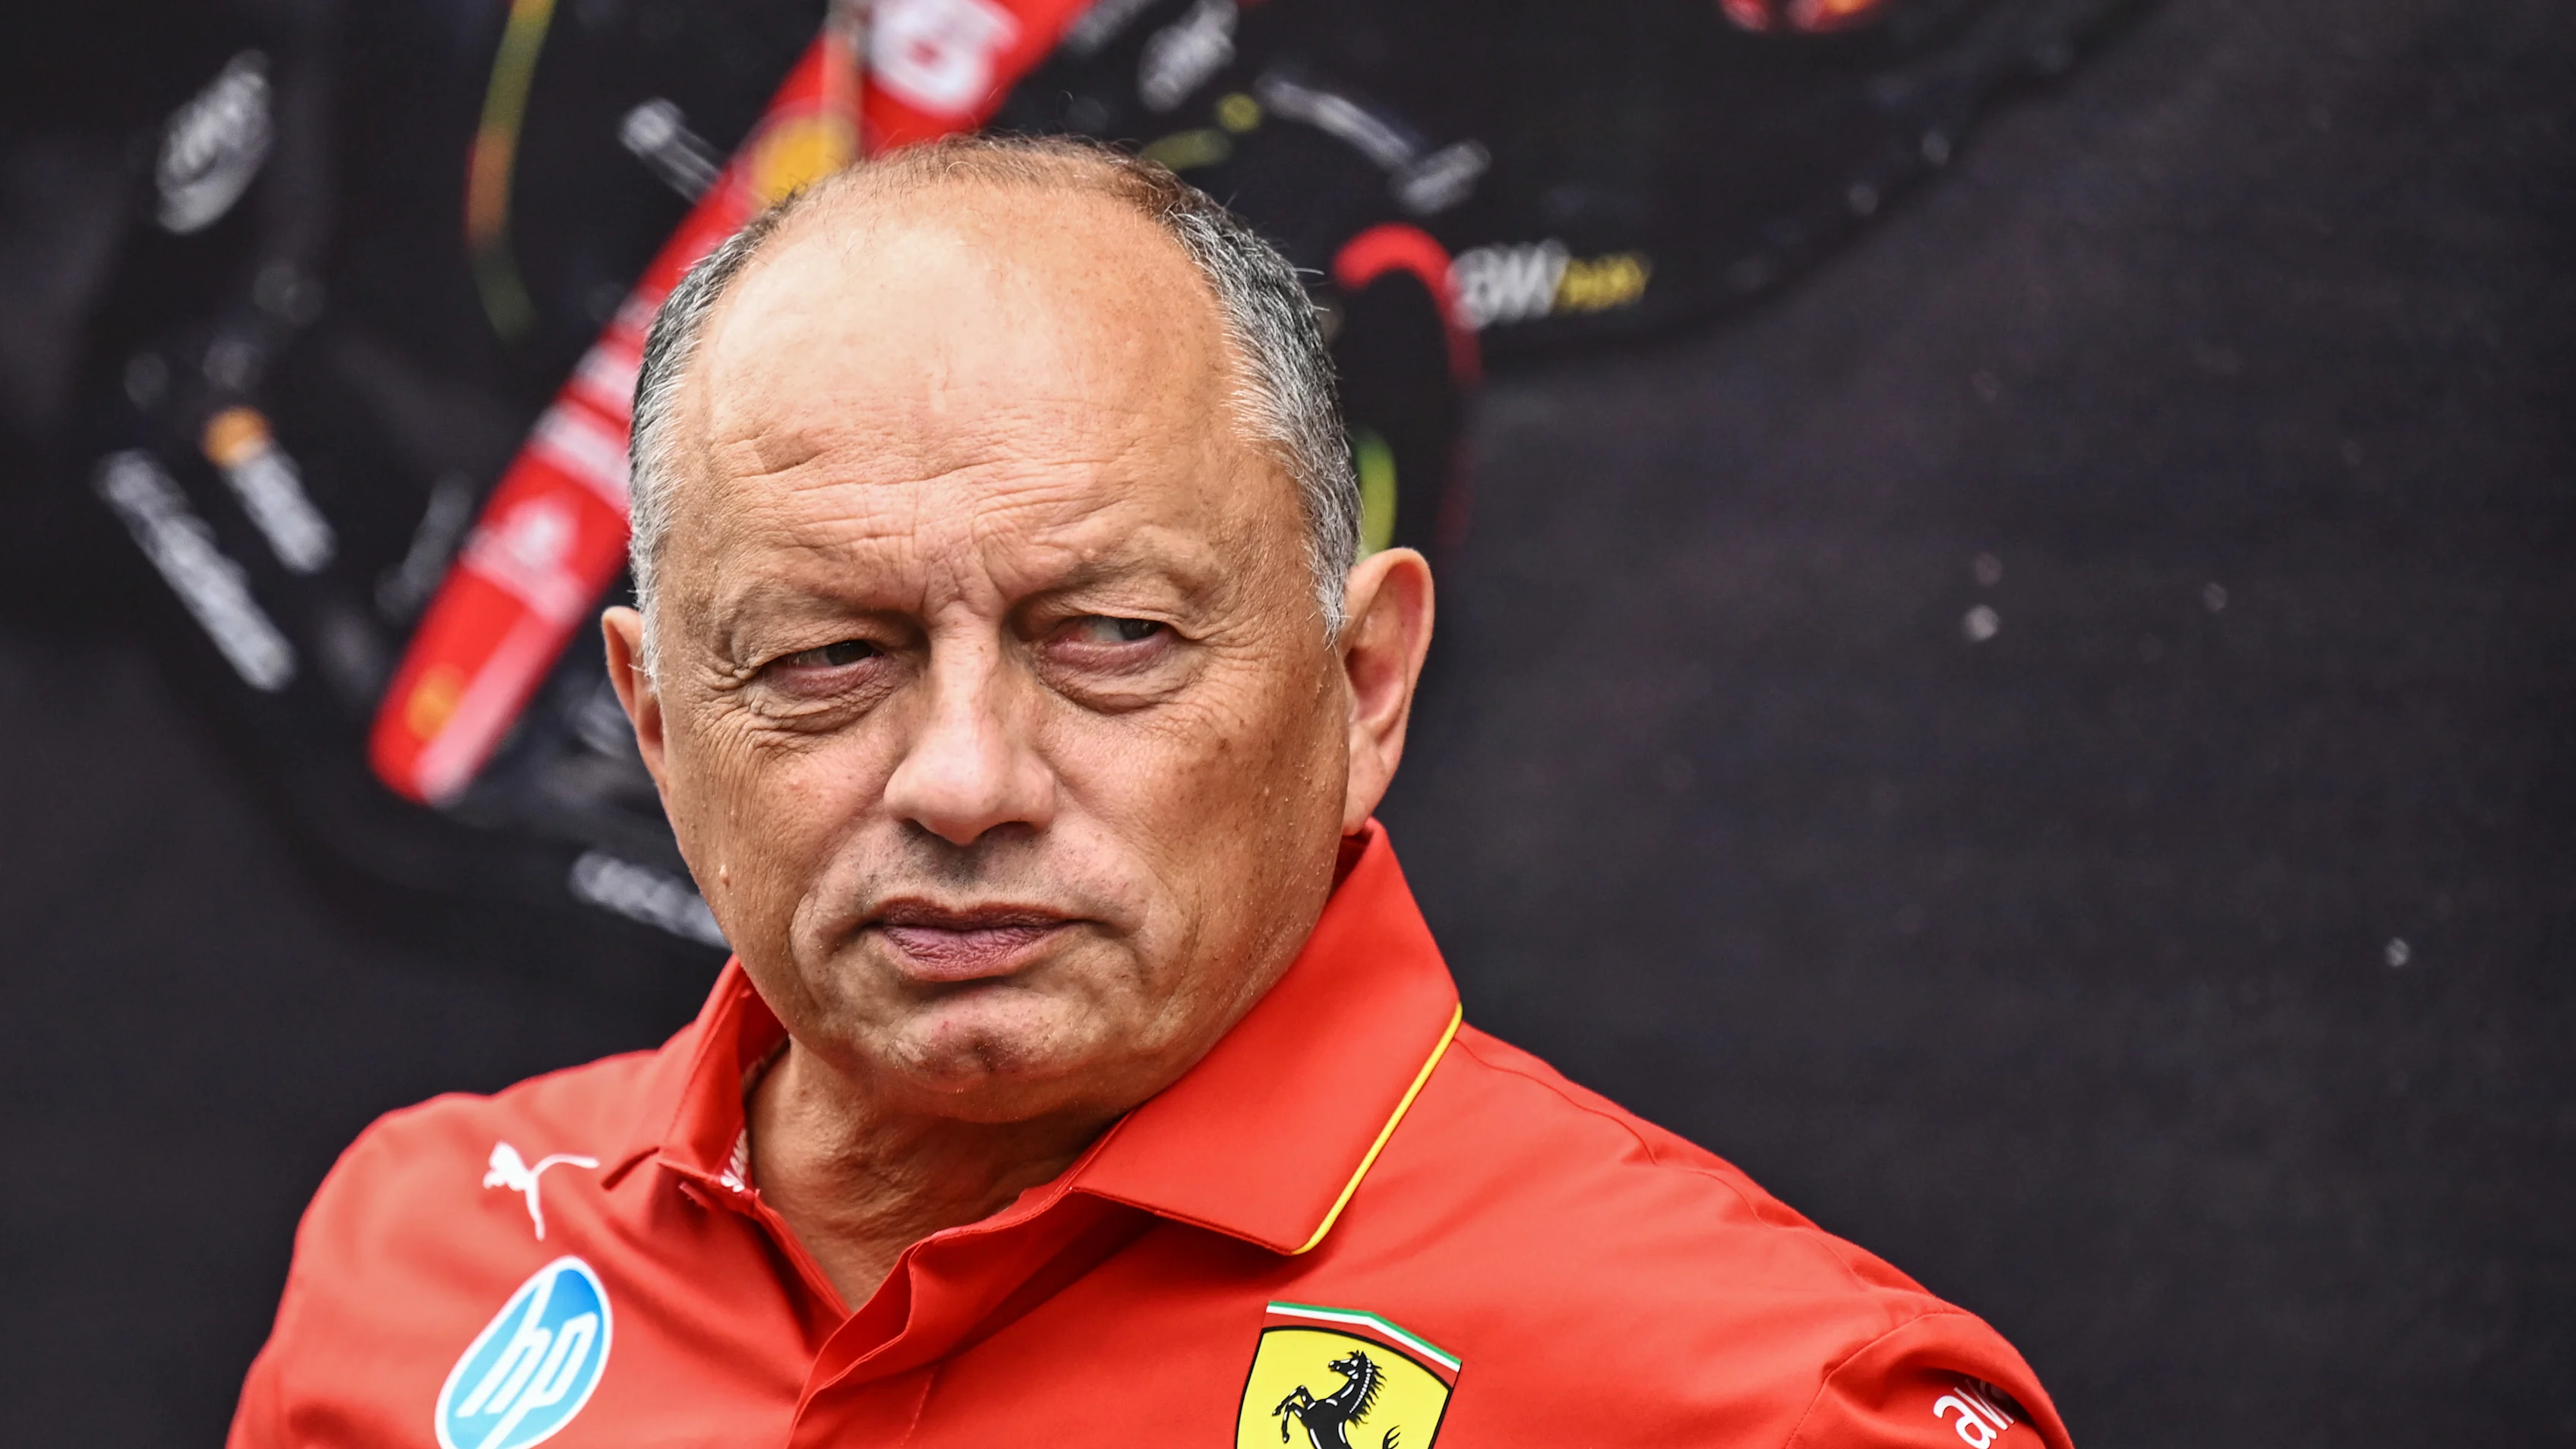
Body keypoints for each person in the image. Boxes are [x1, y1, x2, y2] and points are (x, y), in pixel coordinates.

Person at [227, 137, 2072, 1449]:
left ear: (1364, 684)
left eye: (1109, 637)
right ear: (653, 721)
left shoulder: (1760, 1403)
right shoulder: (428, 1252)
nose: (963, 781)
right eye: (826, 656)